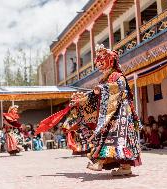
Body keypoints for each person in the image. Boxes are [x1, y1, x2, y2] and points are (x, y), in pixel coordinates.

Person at [36, 44, 142, 176]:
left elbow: (120, 88)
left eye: (102, 61)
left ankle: (107, 163)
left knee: (114, 138)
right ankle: (122, 166)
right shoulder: (106, 77)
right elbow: (96, 94)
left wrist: (103, 89)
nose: (99, 65)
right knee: (109, 137)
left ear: (109, 60)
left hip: (119, 113)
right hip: (111, 113)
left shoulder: (116, 75)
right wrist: (83, 99)